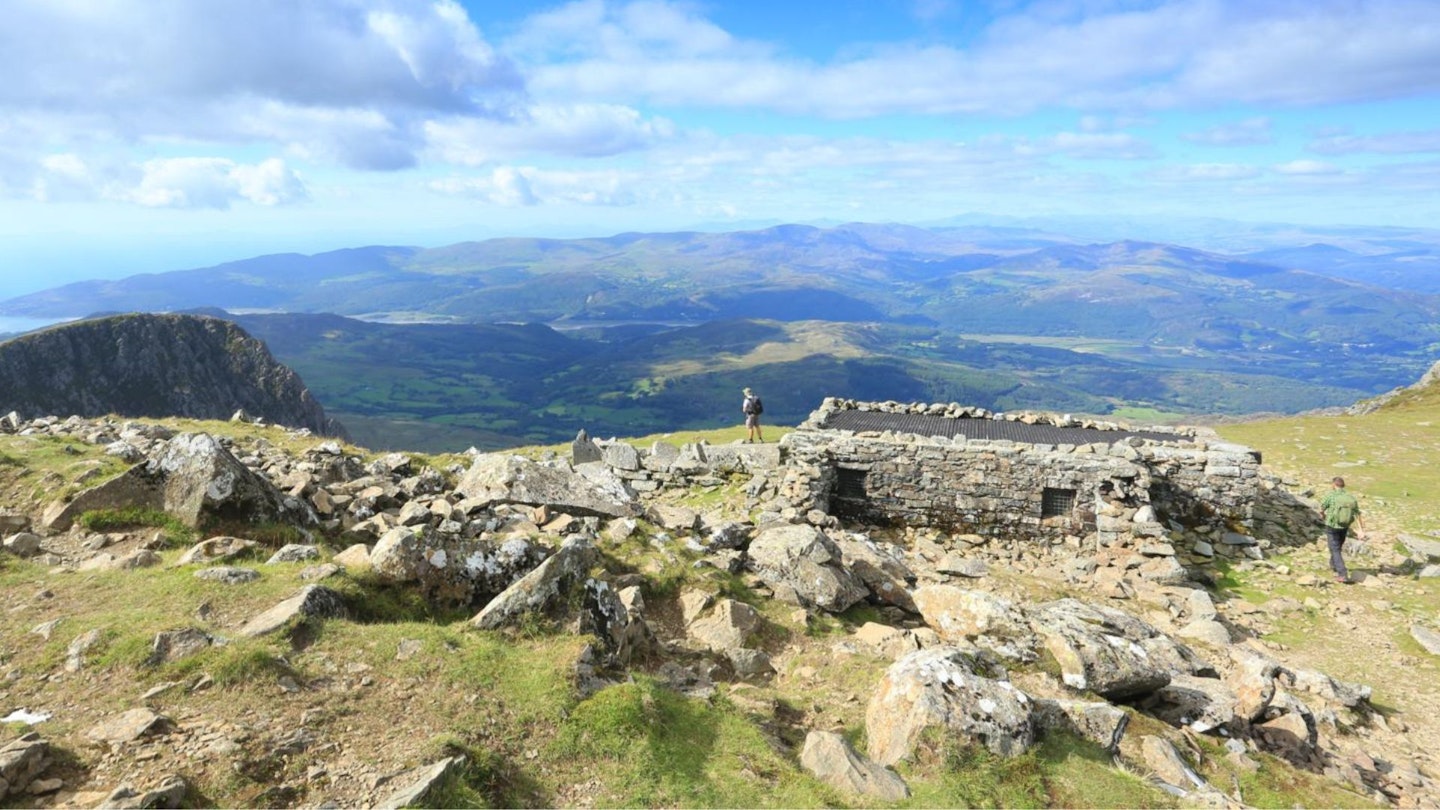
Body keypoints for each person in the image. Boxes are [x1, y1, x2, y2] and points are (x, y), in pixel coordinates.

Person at [1319, 476, 1365, 584]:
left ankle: (1342, 574)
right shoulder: (1351, 497)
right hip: (1344, 526)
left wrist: (1322, 515)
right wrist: (1361, 530)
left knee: (1334, 548)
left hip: (1332, 525)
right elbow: (1357, 513)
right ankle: (1333, 564)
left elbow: (1322, 508)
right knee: (1337, 547)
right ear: (1343, 486)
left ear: (1334, 485)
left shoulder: (1331, 495)